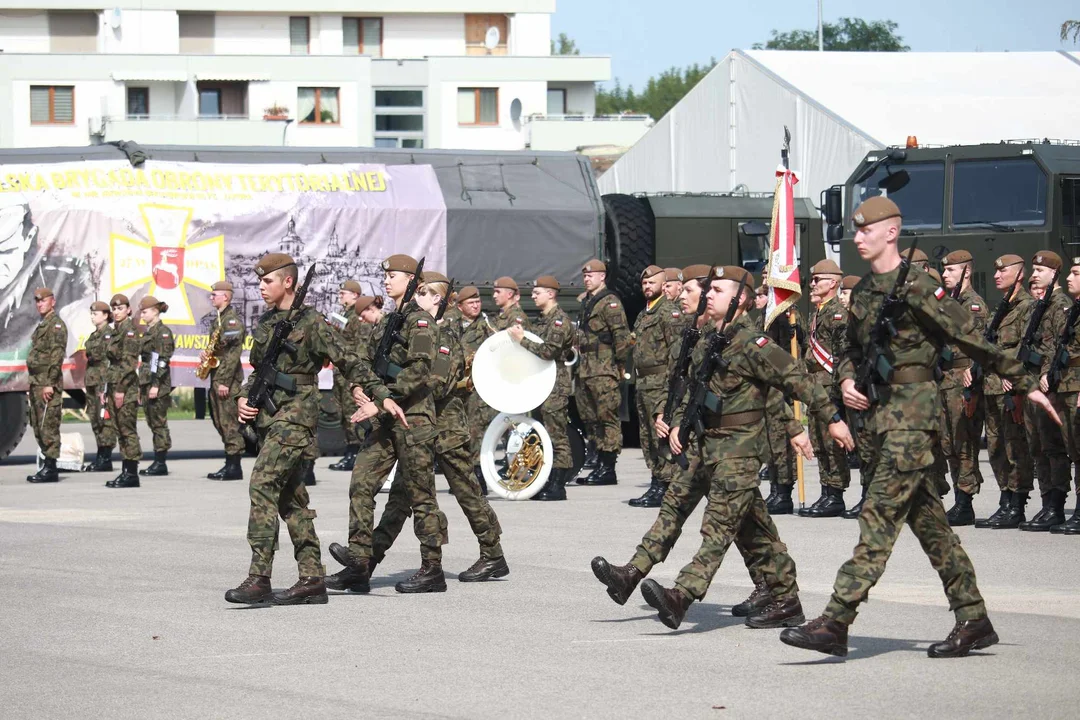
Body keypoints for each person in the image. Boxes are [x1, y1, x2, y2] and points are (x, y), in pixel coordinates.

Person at [779, 196, 1061, 659]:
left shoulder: (918, 285)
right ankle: (973, 618)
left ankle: (836, 620)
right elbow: (849, 346)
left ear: (892, 231)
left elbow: (969, 336)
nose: (859, 236)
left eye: (867, 229)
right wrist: (847, 377)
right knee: (932, 526)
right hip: (882, 416)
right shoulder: (868, 291)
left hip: (914, 418)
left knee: (878, 516)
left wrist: (1026, 380)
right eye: (856, 229)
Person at [638, 266, 855, 631]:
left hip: (739, 450)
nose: (709, 295)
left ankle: (682, 595)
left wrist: (831, 417)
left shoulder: (756, 345)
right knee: (756, 530)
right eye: (709, 289)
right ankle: (786, 599)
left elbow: (796, 379)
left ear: (740, 299)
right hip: (713, 448)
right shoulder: (713, 340)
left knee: (718, 526)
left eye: (718, 290)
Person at [592, 265, 778, 621]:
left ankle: (695, 592)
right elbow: (688, 386)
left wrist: (799, 433)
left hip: (734, 447)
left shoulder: (739, 338)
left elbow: (772, 394)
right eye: (694, 290)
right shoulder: (702, 333)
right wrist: (675, 419)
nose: (692, 296)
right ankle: (631, 573)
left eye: (695, 290)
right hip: (703, 441)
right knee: (695, 512)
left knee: (729, 525)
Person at [226, 252, 403, 606]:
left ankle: (259, 576)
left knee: (262, 483)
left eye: (268, 281)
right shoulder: (267, 323)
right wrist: (243, 398)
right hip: (269, 418)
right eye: (260, 282)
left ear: (288, 282)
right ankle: (311, 577)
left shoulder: (313, 323)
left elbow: (350, 359)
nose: (261, 287)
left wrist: (381, 393)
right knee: (291, 499)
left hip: (295, 417)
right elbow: (258, 371)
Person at [341, 271, 508, 592]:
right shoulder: (408, 328)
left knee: (466, 492)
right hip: (413, 425)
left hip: (446, 429)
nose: (415, 298)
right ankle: (365, 562)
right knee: (400, 500)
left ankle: (492, 553)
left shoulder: (445, 336)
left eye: (423, 293)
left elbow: (437, 382)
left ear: (437, 298)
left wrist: (387, 397)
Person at [327, 254, 449, 595]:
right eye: (386, 275)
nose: (386, 280)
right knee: (361, 484)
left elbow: (419, 373)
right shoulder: (384, 323)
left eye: (393, 275)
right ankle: (359, 564)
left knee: (421, 495)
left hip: (413, 419)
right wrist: (357, 388)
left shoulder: (422, 323)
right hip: (383, 418)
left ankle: (432, 569)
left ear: (412, 282)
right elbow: (364, 362)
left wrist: (379, 403)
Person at [974, 255, 1034, 528]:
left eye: (1003, 271)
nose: (997, 275)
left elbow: (1028, 346)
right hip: (991, 387)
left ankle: (1017, 504)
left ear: (1019, 274)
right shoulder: (1002, 307)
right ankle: (1005, 499)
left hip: (1010, 389)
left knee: (1015, 447)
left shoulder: (1027, 307)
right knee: (997, 448)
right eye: (995, 271)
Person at [509, 275, 576, 501]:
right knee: (542, 434)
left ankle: (558, 484)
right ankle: (546, 479)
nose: (533, 296)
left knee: (557, 435)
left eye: (538, 292)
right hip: (541, 385)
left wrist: (522, 341)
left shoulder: (560, 321)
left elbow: (549, 352)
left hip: (555, 387)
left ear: (551, 294)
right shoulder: (542, 320)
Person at [1023, 251, 1072, 530]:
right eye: (1034, 269)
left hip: (1048, 384)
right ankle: (1046, 503)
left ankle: (1056, 504)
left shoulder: (1060, 304)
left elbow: (1059, 346)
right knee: (1038, 447)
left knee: (1054, 447)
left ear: (1055, 274)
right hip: (1032, 383)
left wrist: (1046, 374)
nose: (1035, 274)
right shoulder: (1038, 305)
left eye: (1041, 270)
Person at [627, 265, 684, 507]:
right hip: (643, 384)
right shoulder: (644, 314)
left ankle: (664, 486)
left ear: (663, 284)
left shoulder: (669, 313)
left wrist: (669, 393)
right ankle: (656, 482)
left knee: (659, 437)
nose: (647, 287)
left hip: (660, 384)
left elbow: (676, 356)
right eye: (644, 284)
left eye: (652, 283)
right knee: (647, 437)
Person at [938, 251, 988, 526]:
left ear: (966, 272)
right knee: (949, 443)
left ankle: (965, 500)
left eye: (951, 271)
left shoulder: (972, 305)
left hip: (963, 380)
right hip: (945, 379)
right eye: (944, 271)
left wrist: (972, 389)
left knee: (964, 441)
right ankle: (959, 495)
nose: (945, 274)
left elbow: (979, 347)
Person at [799, 259, 851, 517]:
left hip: (829, 384)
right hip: (815, 384)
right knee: (819, 439)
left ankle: (836, 493)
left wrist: (842, 386)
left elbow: (842, 354)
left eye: (818, 279)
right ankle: (826, 490)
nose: (813, 283)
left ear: (833, 283)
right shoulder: (817, 311)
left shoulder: (838, 313)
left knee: (831, 441)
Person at [574, 259, 631, 486]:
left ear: (602, 277)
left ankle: (608, 468)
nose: (587, 279)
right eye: (585, 276)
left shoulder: (609, 303)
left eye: (591, 275)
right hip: (586, 369)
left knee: (607, 418)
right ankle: (598, 462)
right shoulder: (587, 302)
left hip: (604, 369)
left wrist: (617, 366)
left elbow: (623, 338)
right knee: (591, 419)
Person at [205, 281, 248, 481]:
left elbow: (232, 354)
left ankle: (234, 466)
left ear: (226, 297)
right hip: (217, 376)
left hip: (226, 379)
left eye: (215, 294)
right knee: (218, 419)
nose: (212, 298)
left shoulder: (232, 322)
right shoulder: (220, 320)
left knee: (228, 421)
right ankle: (229, 462)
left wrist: (224, 381)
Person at [25, 287, 68, 483]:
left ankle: (51, 467)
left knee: (48, 425)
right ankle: (46, 464)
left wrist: (50, 383)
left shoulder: (56, 325)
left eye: (43, 300)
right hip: (36, 382)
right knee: (38, 424)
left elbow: (56, 356)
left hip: (46, 382)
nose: (40, 304)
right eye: (37, 301)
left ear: (53, 301)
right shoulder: (42, 325)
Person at [1052, 256, 1080, 535]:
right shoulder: (1075, 310)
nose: (1069, 278)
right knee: (1074, 449)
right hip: (1067, 386)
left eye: (1075, 273)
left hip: (1078, 387)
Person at [457, 284, 494, 490]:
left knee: (476, 430)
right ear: (460, 306)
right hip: (458, 387)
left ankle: (478, 476)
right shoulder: (453, 324)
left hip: (478, 388)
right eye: (471, 303)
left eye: (478, 302)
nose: (476, 306)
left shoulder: (486, 325)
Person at [105, 294, 143, 488]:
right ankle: (126, 471)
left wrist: (120, 390)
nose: (116, 312)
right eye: (114, 309)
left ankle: (131, 472)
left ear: (128, 310)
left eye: (120, 308)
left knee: (127, 430)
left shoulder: (129, 331)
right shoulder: (116, 331)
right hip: (113, 385)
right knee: (120, 429)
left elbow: (128, 364)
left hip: (125, 388)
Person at [329, 280, 365, 472]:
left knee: (352, 412)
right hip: (340, 371)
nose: (340, 296)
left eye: (344, 293)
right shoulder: (344, 315)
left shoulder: (357, 317)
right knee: (343, 412)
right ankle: (350, 450)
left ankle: (355, 452)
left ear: (355, 295)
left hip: (349, 372)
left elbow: (359, 347)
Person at [136, 296, 175, 477]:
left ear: (154, 311)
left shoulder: (162, 332)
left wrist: (155, 385)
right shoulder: (150, 331)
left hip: (156, 384)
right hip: (146, 382)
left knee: (159, 423)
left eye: (145, 312)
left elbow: (162, 361)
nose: (142, 315)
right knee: (152, 422)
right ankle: (158, 460)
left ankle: (161, 462)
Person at [82, 300, 116, 473]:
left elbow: (105, 359)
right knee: (95, 419)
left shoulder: (109, 335)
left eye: (95, 314)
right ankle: (100, 455)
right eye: (92, 314)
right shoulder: (94, 335)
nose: (92, 317)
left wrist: (105, 386)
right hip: (92, 381)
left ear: (105, 315)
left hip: (103, 382)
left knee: (105, 420)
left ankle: (106, 457)